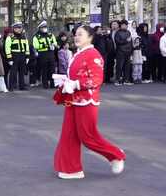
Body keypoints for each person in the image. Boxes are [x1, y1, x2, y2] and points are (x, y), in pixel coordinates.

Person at [53, 25, 126, 180]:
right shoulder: (78, 54)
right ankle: (71, 169)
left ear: (90, 37)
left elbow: (96, 79)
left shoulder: (93, 54)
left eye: (80, 34)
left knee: (88, 136)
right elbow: (75, 74)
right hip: (73, 99)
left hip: (87, 100)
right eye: (75, 34)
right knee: (69, 135)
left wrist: (75, 84)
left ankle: (116, 155)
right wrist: (64, 81)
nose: (76, 37)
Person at [32, 21, 58, 89]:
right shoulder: (36, 36)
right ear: (40, 28)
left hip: (51, 53)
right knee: (44, 69)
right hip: (42, 54)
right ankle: (45, 84)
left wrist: (53, 45)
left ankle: (53, 84)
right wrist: (46, 45)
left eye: (45, 27)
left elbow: (55, 42)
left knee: (52, 69)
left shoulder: (50, 35)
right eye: (43, 27)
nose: (45, 28)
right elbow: (36, 46)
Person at [5, 22, 30, 91]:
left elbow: (27, 47)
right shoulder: (10, 37)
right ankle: (11, 86)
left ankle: (22, 86)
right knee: (13, 72)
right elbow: (7, 48)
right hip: (14, 56)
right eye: (17, 28)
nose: (19, 29)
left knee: (22, 72)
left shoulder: (24, 37)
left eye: (20, 28)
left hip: (22, 55)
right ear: (14, 29)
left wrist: (27, 56)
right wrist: (9, 58)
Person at [113, 20, 133, 86]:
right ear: (121, 26)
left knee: (127, 67)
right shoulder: (118, 33)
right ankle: (117, 80)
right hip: (120, 52)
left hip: (128, 52)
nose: (124, 26)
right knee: (119, 67)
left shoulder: (128, 32)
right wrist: (126, 40)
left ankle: (126, 80)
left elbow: (131, 42)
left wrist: (131, 51)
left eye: (126, 25)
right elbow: (117, 42)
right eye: (123, 25)